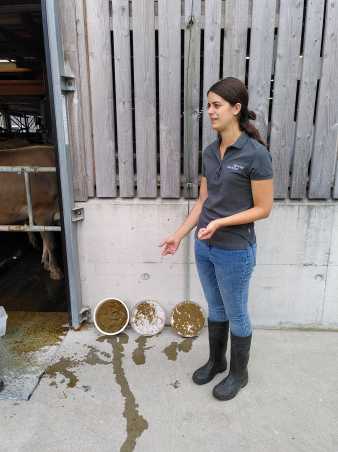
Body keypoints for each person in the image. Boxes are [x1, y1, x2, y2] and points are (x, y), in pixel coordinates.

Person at [159, 77, 274, 401]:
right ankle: (216, 361)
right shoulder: (210, 152)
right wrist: (180, 235)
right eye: (208, 105)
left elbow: (263, 209)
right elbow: (202, 202)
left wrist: (222, 222)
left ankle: (239, 374)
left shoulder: (256, 155)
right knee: (215, 307)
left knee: (236, 312)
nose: (209, 111)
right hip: (205, 245)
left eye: (216, 105)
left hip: (235, 251)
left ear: (236, 109)